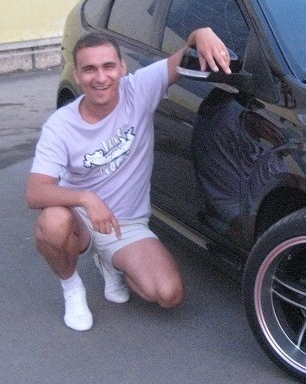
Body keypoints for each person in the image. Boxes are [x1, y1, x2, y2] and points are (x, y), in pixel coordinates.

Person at [26, 27, 232, 331]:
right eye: (89, 69)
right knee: (53, 222)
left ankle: (110, 262)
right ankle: (72, 288)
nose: (100, 77)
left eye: (108, 66)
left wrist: (201, 33)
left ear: (122, 68)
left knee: (168, 294)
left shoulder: (139, 89)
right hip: (80, 219)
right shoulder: (60, 126)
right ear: (77, 75)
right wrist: (86, 198)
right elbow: (35, 192)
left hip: (127, 223)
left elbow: (184, 55)